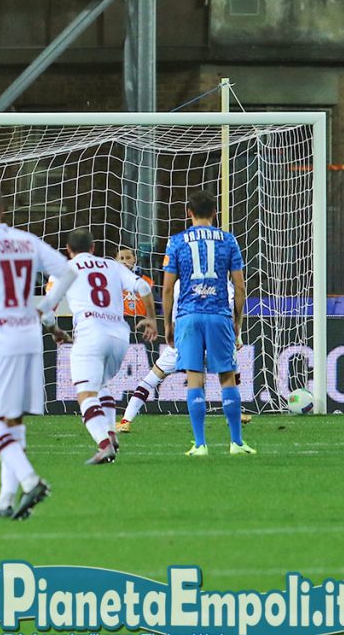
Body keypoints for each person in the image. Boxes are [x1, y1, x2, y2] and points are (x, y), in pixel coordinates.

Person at [0, 185, 76, 521]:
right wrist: (44, 308)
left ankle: (31, 481)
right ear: (3, 210)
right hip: (29, 336)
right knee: (13, 419)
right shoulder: (26, 240)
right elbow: (68, 272)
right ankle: (6, 500)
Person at [47, 230, 156, 464]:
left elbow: (47, 311)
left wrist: (56, 331)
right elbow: (144, 288)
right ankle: (111, 434)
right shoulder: (113, 266)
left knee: (86, 394)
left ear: (68, 250)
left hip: (90, 332)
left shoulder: (64, 269)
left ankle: (104, 445)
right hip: (120, 335)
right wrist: (151, 318)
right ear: (93, 247)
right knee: (102, 385)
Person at [162, 190, 254, 456]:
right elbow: (239, 286)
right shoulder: (229, 240)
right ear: (215, 212)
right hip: (218, 314)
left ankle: (200, 444)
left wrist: (167, 324)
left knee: (195, 378)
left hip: (188, 316)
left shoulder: (176, 242)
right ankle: (236, 443)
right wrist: (237, 322)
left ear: (189, 212)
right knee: (227, 377)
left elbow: (167, 289)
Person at [117, 276, 252, 432]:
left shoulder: (182, 282)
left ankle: (126, 420)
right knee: (230, 373)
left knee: (151, 380)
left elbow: (173, 306)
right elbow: (232, 312)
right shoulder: (224, 284)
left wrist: (170, 329)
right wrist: (236, 337)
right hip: (213, 339)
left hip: (186, 339)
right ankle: (233, 414)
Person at [115, 247, 154, 317]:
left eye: (128, 258)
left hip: (142, 320)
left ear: (134, 259)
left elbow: (157, 307)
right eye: (121, 258)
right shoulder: (111, 281)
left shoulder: (147, 281)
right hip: (119, 320)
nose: (124, 261)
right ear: (116, 260)